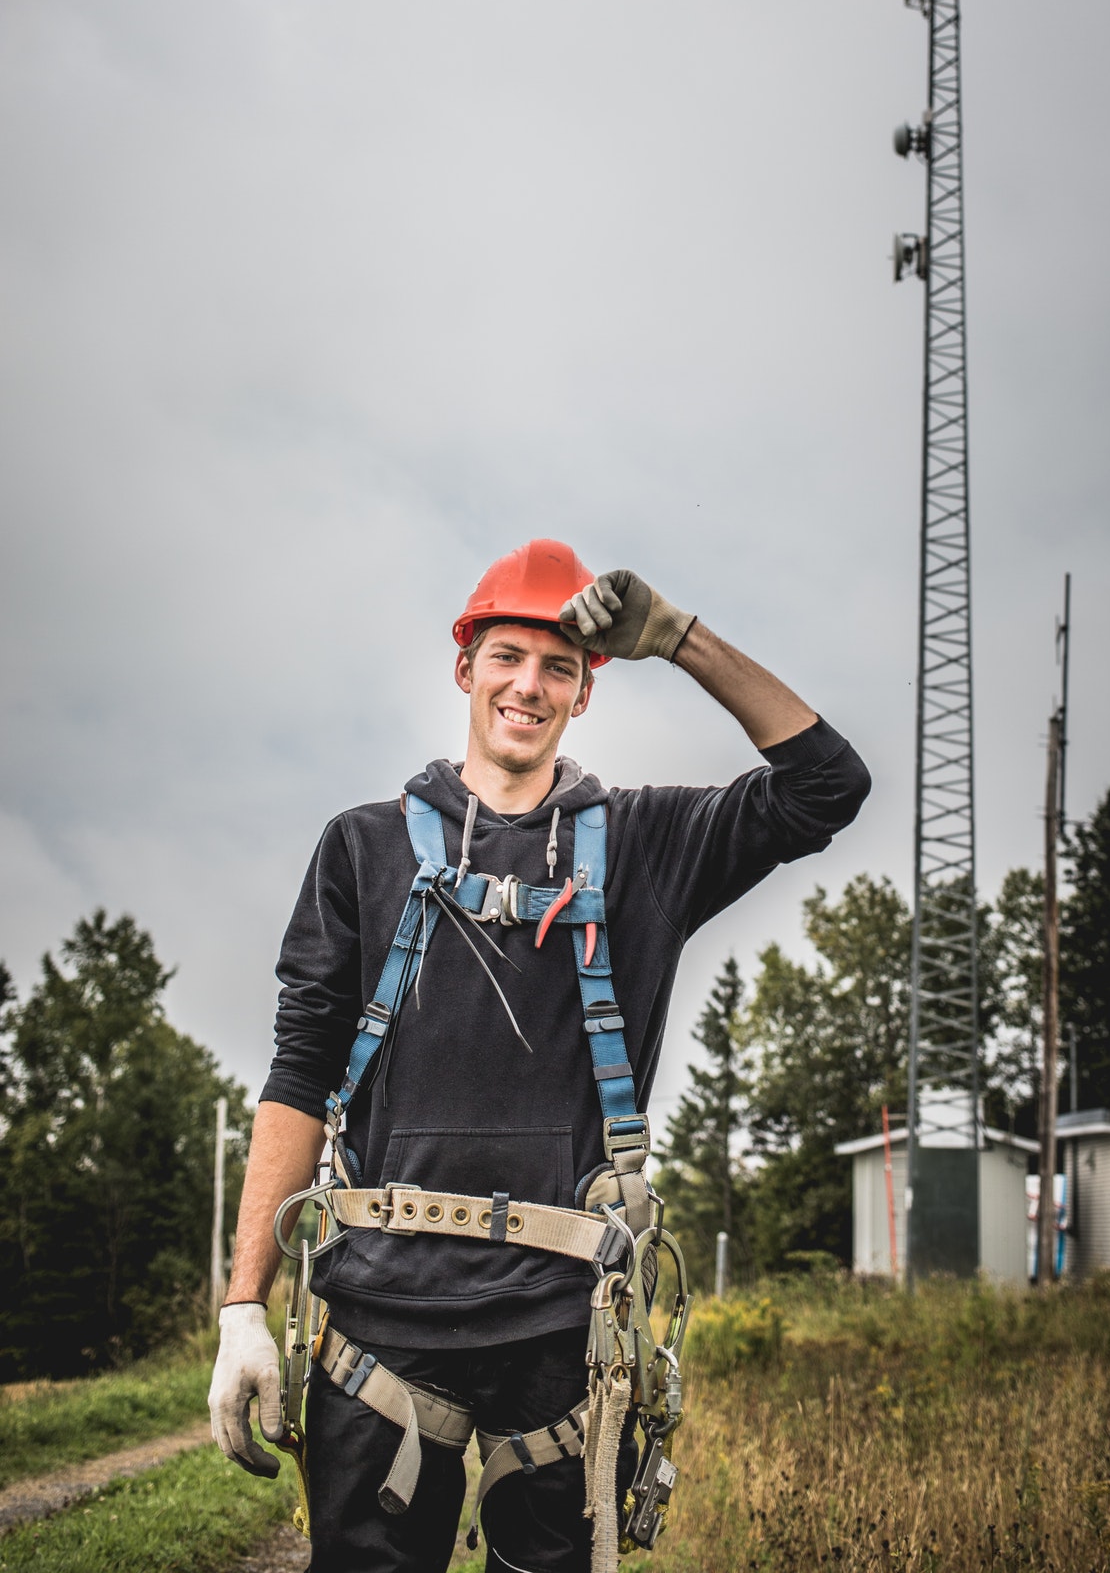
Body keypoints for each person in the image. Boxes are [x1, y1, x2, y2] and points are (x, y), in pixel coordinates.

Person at [209, 541, 870, 1573]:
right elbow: (297, 1077)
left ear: (585, 690)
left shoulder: (649, 843)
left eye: (558, 665)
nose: (529, 684)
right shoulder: (362, 848)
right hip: (381, 1320)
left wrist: (678, 637)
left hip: (570, 1336)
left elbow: (827, 781)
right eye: (507, 656)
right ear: (464, 667)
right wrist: (243, 1305)